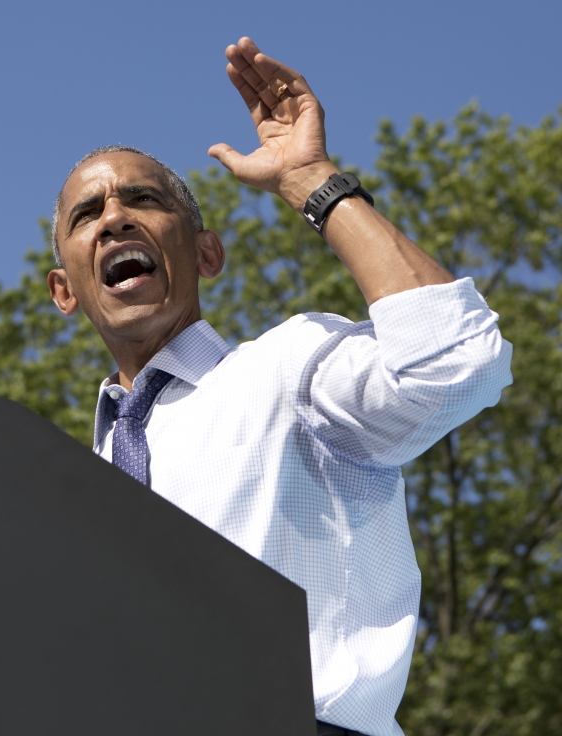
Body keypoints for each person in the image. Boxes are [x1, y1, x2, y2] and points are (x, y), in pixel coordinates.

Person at [46, 37, 513, 736]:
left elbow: (456, 363)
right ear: (65, 291)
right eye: (88, 215)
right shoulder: (61, 490)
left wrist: (313, 182)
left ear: (207, 253)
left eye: (141, 199)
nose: (114, 217)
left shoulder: (290, 367)